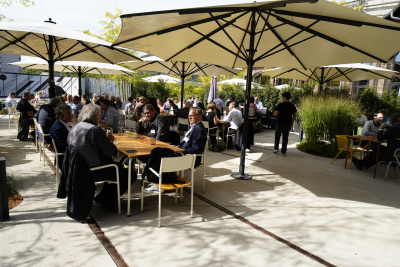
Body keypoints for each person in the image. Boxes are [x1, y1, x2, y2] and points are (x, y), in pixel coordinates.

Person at [67, 103, 136, 210]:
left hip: (78, 167)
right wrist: (110, 140)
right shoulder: (95, 130)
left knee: (118, 167)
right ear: (96, 116)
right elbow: (110, 152)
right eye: (100, 115)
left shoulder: (75, 127)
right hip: (94, 169)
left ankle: (104, 197)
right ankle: (106, 199)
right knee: (129, 173)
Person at [272, 92, 297, 156]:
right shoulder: (292, 105)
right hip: (288, 123)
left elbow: (276, 114)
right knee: (285, 137)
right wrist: (292, 121)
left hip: (280, 122)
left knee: (277, 136)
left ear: (285, 97)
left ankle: (276, 148)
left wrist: (272, 113)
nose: (282, 98)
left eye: (283, 97)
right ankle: (283, 151)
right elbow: (294, 115)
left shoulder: (280, 105)